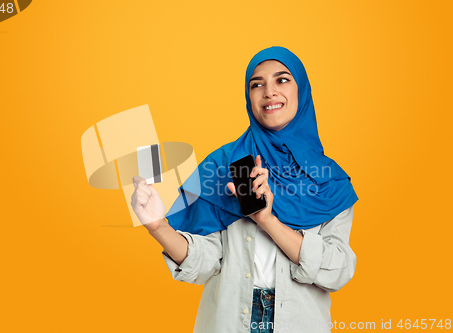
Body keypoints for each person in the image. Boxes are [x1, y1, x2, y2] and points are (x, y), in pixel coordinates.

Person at [131, 46, 358, 333]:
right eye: (257, 84)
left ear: (302, 91)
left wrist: (267, 221)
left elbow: (337, 271)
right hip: (228, 322)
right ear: (248, 96)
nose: (269, 92)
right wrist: (158, 228)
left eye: (282, 80)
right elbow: (205, 264)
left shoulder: (328, 181)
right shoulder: (228, 164)